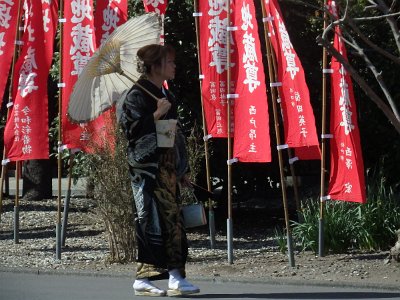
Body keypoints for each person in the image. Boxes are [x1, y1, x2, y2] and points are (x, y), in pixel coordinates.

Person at [119, 44, 200, 297]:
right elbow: (131, 134)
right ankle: (144, 278)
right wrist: (156, 114)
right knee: (151, 221)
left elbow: (172, 135)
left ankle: (176, 276)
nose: (174, 66)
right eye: (169, 62)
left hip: (166, 167)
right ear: (155, 67)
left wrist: (180, 167)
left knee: (174, 220)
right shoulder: (135, 96)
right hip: (147, 170)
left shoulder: (163, 93)